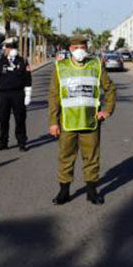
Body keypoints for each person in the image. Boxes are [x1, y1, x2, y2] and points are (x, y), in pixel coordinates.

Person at [47, 34, 116, 205]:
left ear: (87, 49)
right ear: (70, 49)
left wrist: (107, 110)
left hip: (90, 121)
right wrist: (53, 122)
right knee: (65, 157)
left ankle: (92, 192)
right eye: (76, 48)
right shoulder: (60, 67)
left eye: (83, 48)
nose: (79, 51)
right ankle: (64, 192)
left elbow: (110, 89)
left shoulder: (96, 65)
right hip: (67, 122)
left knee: (91, 158)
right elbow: (54, 96)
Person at [0, 38, 32, 151]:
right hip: (4, 94)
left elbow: (27, 78)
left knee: (20, 119)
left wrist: (28, 95)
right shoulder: (1, 61)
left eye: (6, 47)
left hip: (18, 94)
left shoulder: (23, 61)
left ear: (12, 48)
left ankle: (22, 143)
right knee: (3, 119)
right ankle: (3, 142)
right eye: (5, 48)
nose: (4, 50)